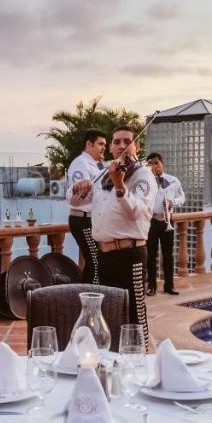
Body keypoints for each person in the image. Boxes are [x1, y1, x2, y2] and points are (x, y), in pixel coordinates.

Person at [91, 125, 156, 345]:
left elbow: (137, 212)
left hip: (129, 255)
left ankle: (139, 362)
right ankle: (110, 359)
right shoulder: (104, 176)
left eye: (127, 141)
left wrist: (120, 184)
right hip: (105, 255)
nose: (121, 145)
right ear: (110, 147)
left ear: (136, 146)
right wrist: (79, 187)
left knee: (134, 314)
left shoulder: (143, 175)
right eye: (116, 141)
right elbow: (77, 203)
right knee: (106, 313)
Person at [66, 129, 107, 284]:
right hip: (83, 219)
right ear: (89, 144)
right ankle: (86, 294)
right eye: (100, 144)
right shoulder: (80, 163)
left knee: (97, 259)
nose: (104, 148)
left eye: (105, 144)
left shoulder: (100, 165)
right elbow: (80, 195)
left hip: (94, 220)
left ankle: (90, 294)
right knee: (95, 260)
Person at [145, 152, 185, 296]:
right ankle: (152, 286)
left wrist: (172, 202)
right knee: (151, 255)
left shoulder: (173, 180)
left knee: (168, 255)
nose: (154, 166)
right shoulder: (146, 182)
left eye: (156, 163)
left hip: (168, 220)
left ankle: (169, 285)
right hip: (152, 221)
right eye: (150, 164)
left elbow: (182, 197)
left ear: (162, 163)